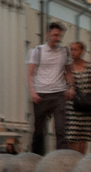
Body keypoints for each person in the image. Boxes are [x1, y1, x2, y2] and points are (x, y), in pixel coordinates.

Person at [27, 22, 73, 153]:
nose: (57, 38)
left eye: (59, 36)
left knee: (61, 128)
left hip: (59, 93)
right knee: (39, 129)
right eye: (54, 35)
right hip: (41, 94)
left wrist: (71, 87)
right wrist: (33, 92)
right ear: (48, 34)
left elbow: (69, 71)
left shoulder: (64, 51)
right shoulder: (38, 51)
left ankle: (61, 156)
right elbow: (30, 74)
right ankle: (36, 156)